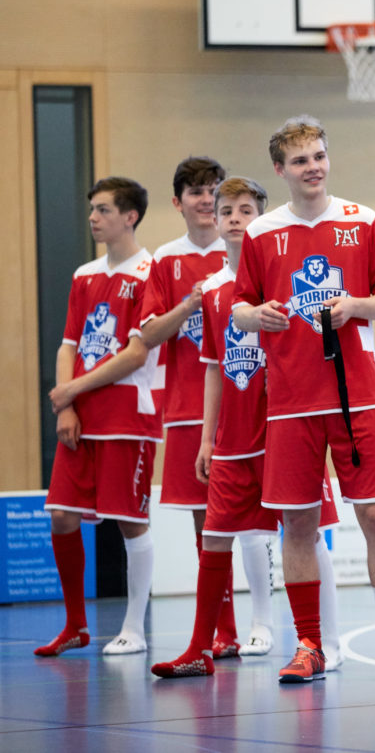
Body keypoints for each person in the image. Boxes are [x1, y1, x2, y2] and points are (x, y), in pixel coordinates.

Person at [233, 115, 375, 683]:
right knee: (297, 525)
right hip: (289, 401)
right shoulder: (262, 233)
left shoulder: (360, 222)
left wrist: (356, 306)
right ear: (280, 170)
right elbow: (240, 307)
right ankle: (311, 643)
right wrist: (255, 315)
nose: (312, 167)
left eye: (318, 156)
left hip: (356, 395)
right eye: (300, 161)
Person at [151, 176, 343, 678]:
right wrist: (208, 436)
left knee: (308, 534)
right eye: (226, 210)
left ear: (262, 215)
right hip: (233, 440)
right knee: (214, 538)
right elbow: (213, 367)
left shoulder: (281, 275)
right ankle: (200, 646)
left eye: (244, 210)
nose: (234, 218)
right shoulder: (212, 291)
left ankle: (330, 640)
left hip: (285, 429)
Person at [137, 157, 269, 659]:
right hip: (194, 409)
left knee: (265, 521)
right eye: (196, 192)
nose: (206, 201)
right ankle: (224, 632)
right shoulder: (166, 260)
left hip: (256, 407)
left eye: (212, 191)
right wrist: (190, 304)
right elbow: (148, 334)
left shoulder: (250, 250)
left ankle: (263, 622)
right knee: (209, 525)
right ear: (180, 202)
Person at [39, 177, 162, 656]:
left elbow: (136, 354)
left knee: (130, 521)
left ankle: (134, 627)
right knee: (62, 515)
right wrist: (67, 403)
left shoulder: (153, 272)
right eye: (92, 208)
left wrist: (73, 388)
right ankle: (75, 624)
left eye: (103, 209)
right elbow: (69, 344)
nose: (93, 217)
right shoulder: (84, 275)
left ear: (130, 216)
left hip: (128, 414)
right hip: (81, 415)